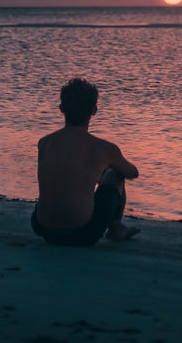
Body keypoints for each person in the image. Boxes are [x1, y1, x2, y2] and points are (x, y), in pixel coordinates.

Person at [31, 77, 140, 246]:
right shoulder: (104, 148)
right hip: (83, 233)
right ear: (94, 110)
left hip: (42, 227)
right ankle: (116, 227)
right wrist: (108, 163)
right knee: (114, 174)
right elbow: (132, 173)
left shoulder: (45, 142)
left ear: (61, 109)